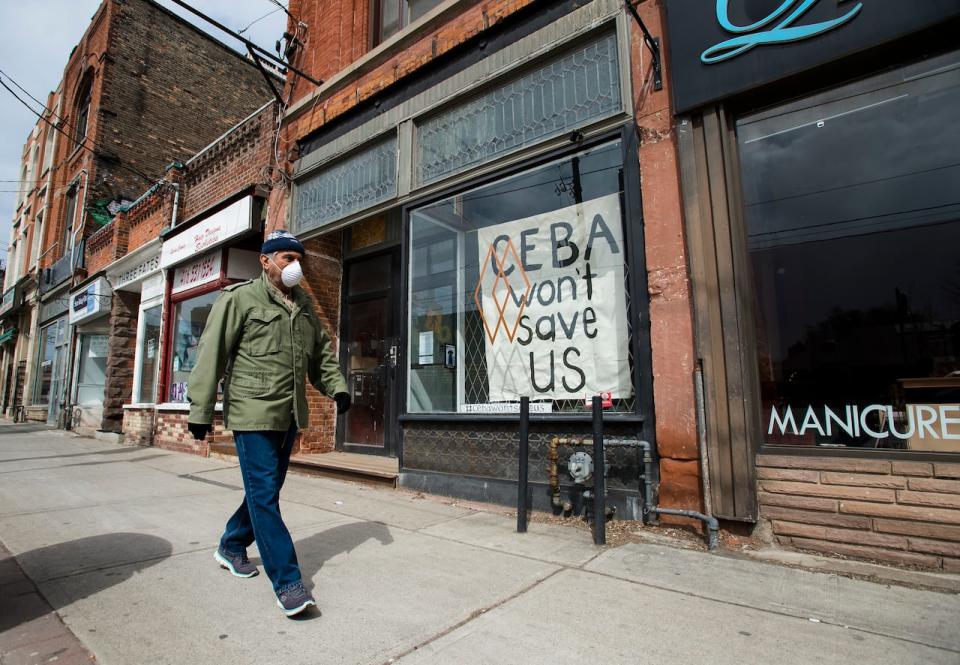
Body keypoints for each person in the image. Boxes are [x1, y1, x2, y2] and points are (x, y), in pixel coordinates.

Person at [186, 229, 350, 617]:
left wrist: (337, 388)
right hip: (251, 412)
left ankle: (230, 544)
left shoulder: (304, 306)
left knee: (266, 489)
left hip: (288, 413)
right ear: (265, 261)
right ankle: (289, 583)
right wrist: (200, 412)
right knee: (264, 493)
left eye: (299, 259)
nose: (294, 266)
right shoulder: (240, 299)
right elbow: (212, 355)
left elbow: (321, 355)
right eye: (286, 258)